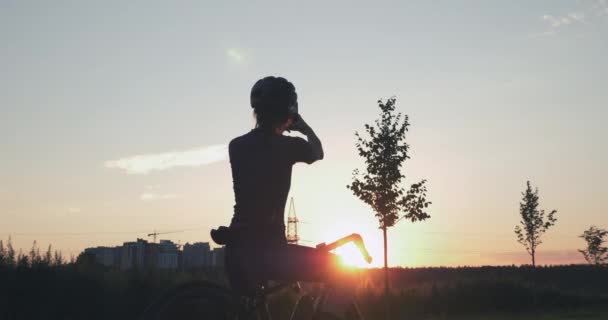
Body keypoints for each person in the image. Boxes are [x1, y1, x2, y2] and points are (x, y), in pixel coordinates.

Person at [224, 76, 361, 319]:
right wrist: (304, 127)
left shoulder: (236, 145)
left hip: (237, 252)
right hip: (270, 253)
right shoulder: (287, 146)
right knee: (346, 273)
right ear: (288, 112)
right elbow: (317, 152)